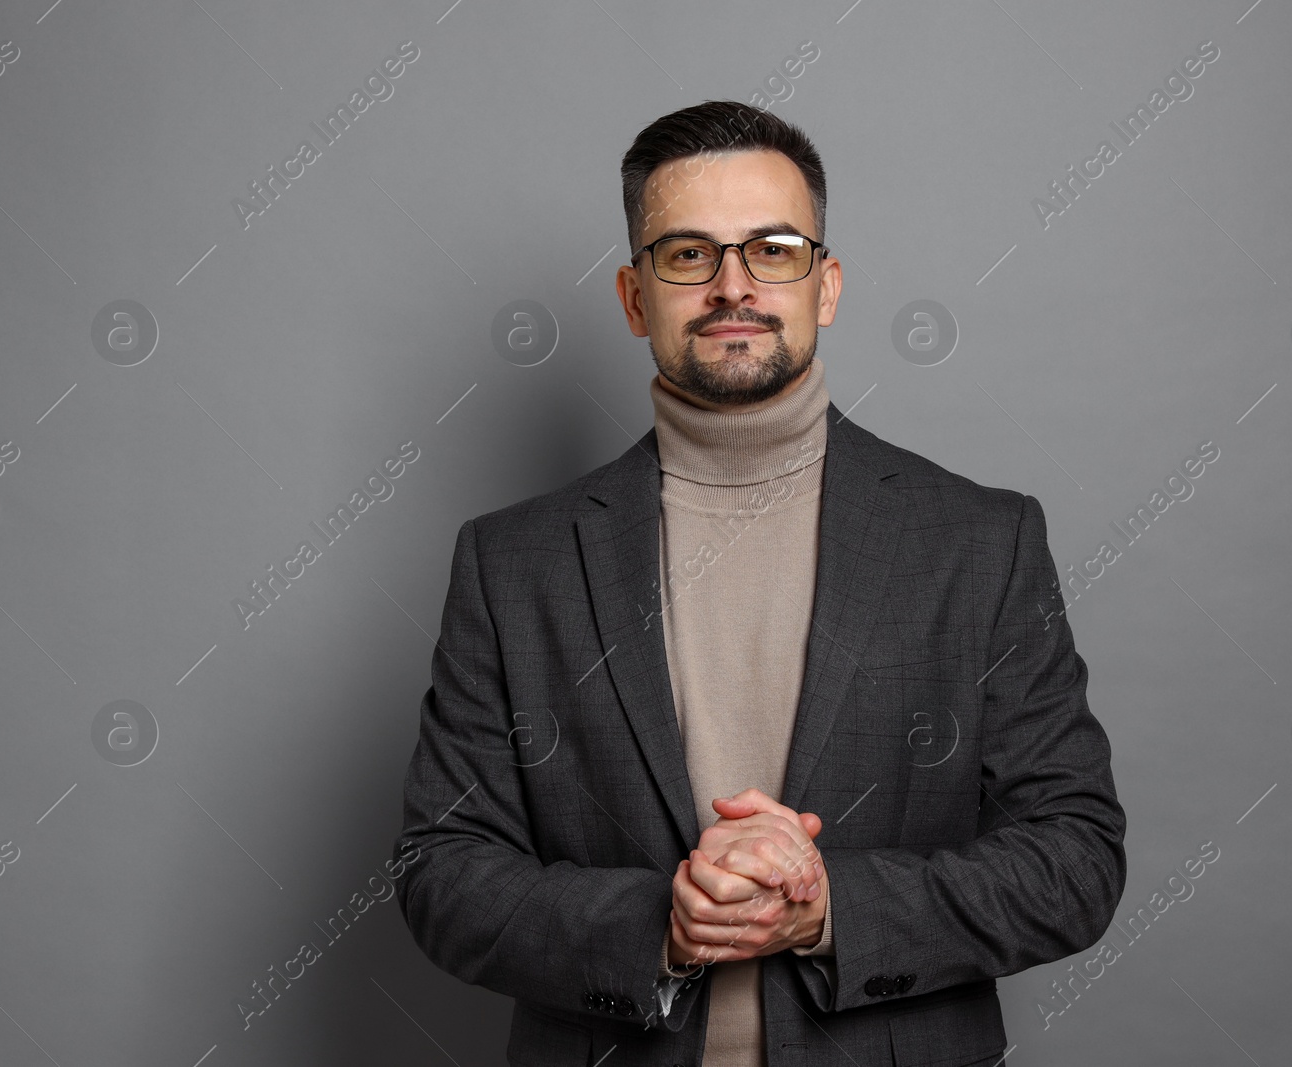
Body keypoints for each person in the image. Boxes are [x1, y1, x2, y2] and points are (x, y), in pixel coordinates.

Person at [394, 99, 1127, 1067]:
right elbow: (441, 872)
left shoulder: (979, 541)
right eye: (687, 254)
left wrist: (829, 907)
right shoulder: (510, 561)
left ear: (824, 285)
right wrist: (662, 922)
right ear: (632, 294)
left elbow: (1074, 860)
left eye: (772, 249)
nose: (731, 285)